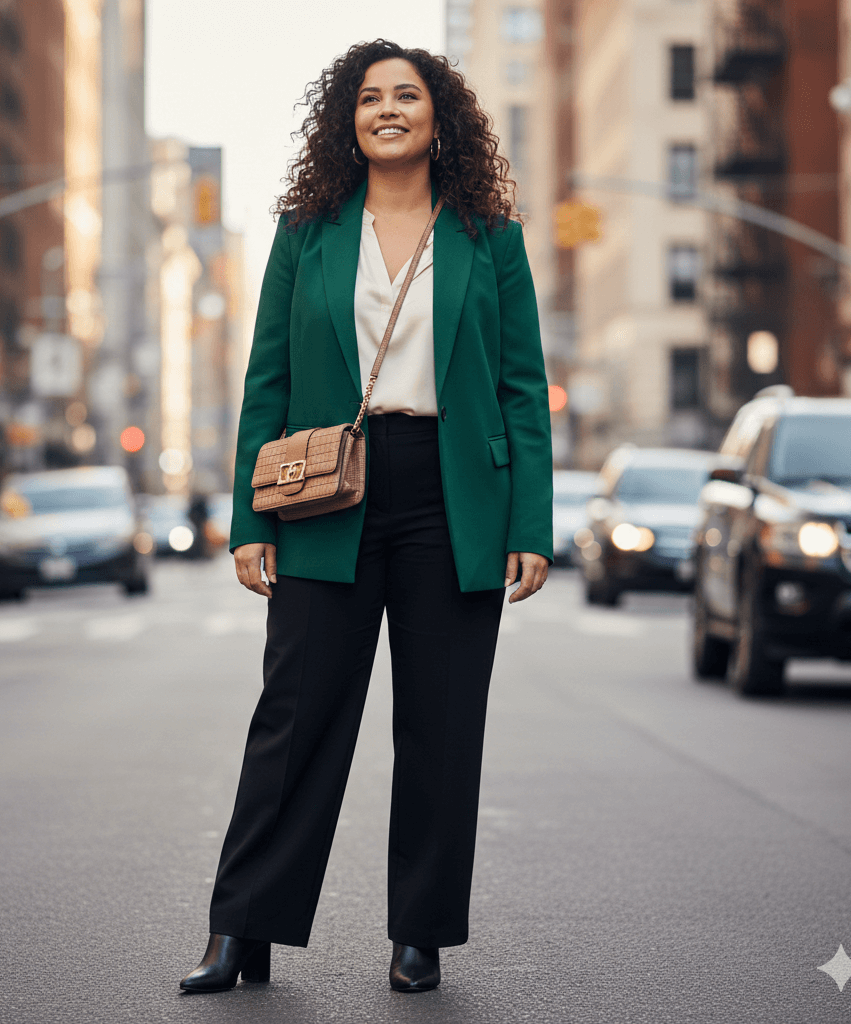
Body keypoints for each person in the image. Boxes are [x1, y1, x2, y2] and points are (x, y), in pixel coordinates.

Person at [180, 39, 552, 995]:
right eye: (370, 98)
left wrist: (529, 527)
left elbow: (521, 390)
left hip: (452, 494)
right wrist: (247, 521)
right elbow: (265, 379)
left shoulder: (489, 234)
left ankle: (419, 933)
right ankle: (241, 931)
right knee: (294, 718)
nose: (388, 109)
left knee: (439, 726)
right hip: (323, 491)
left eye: (408, 96)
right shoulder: (306, 230)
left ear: (441, 118)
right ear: (347, 120)